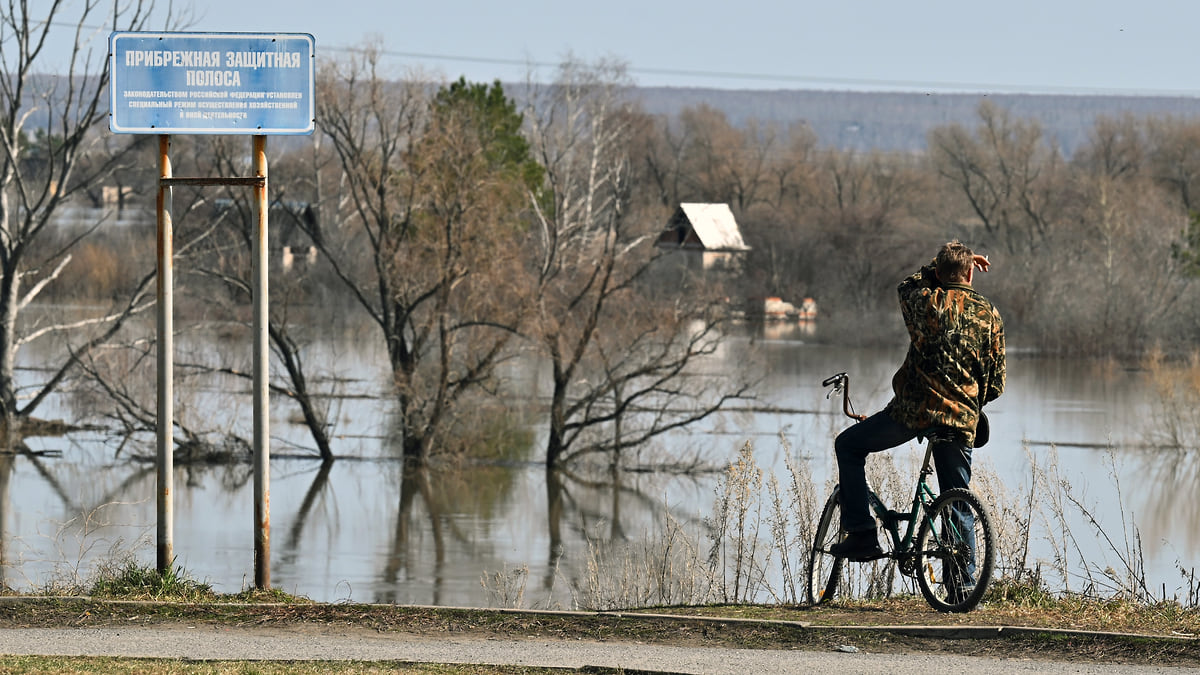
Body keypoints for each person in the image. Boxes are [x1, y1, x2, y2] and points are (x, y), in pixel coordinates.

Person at [829, 240, 1006, 561]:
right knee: (958, 500)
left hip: (914, 412)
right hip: (961, 416)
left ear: (939, 272)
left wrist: (934, 269)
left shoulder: (924, 300)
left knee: (848, 446)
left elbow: (907, 284)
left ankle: (862, 535)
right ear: (970, 274)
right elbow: (995, 384)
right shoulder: (990, 315)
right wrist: (969, 402)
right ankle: (962, 590)